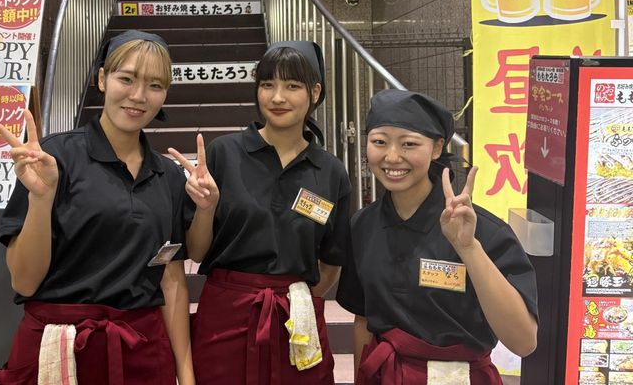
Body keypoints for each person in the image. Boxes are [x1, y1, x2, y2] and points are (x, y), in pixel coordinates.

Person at [0, 30, 194, 385]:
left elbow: (172, 280)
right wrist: (41, 199)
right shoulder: (52, 158)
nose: (138, 96)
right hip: (57, 351)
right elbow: (24, 281)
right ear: (102, 78)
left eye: (155, 85)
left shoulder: (169, 176)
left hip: (142, 353)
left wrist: (186, 375)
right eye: (126, 79)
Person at [169, 41, 351, 384]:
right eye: (268, 84)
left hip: (296, 322)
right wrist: (206, 209)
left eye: (292, 86)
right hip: (225, 317)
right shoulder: (224, 154)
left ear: (314, 92)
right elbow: (197, 252)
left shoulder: (330, 171)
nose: (277, 97)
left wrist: (296, 299)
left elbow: (331, 262)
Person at [336, 89, 538, 384]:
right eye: (379, 142)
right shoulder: (362, 226)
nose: (392, 156)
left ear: (437, 148)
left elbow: (523, 341)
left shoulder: (485, 232)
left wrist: (468, 249)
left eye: (409, 144)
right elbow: (363, 320)